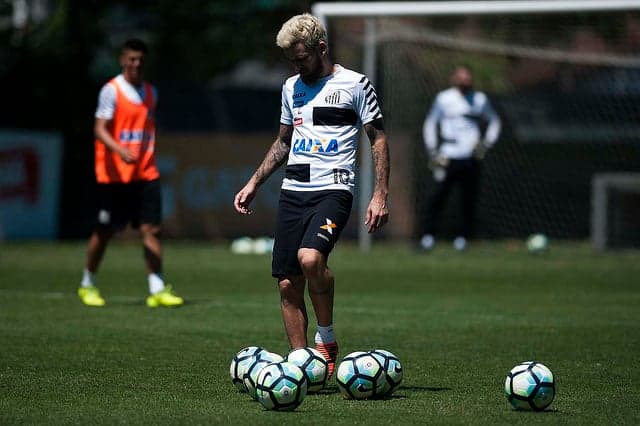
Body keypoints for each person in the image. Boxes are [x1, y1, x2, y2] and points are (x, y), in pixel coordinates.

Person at [233, 13, 390, 377]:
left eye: (301, 57)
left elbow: (378, 137)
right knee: (287, 281)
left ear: (322, 48)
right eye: (291, 60)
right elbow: (284, 141)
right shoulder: (291, 88)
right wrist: (254, 183)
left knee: (309, 259)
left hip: (334, 188)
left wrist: (381, 193)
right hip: (293, 191)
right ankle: (301, 366)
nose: (297, 66)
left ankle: (327, 338)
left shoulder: (355, 84)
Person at [77, 38, 183, 308]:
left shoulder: (150, 93)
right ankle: (87, 283)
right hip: (113, 177)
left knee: (152, 230)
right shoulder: (111, 91)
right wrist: (119, 149)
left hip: (145, 173)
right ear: (123, 60)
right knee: (104, 232)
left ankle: (157, 288)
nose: (136, 64)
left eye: (140, 60)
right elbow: (100, 129)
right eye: (131, 59)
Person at [419, 65, 501, 251]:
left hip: (470, 157)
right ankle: (428, 237)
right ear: (454, 79)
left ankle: (462, 238)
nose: (465, 81)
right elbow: (431, 123)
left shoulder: (479, 100)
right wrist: (433, 151)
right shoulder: (444, 99)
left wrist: (486, 144)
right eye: (461, 77)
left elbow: (494, 121)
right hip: (447, 156)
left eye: (467, 78)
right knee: (436, 197)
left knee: (468, 199)